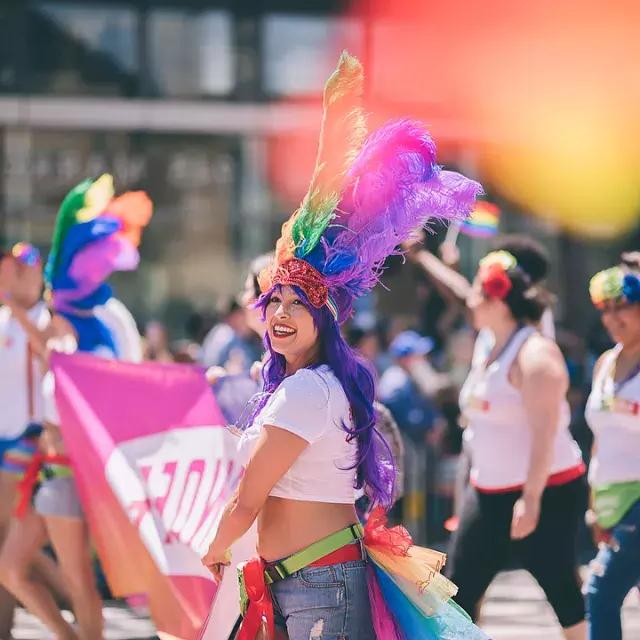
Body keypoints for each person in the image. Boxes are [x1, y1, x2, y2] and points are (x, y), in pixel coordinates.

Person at [201, 52, 485, 640]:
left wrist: (214, 548)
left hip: (317, 586)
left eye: (296, 305)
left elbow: (247, 499)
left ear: (323, 321)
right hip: (298, 582)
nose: (280, 314)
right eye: (273, 302)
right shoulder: (298, 385)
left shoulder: (307, 390)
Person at [0, 174, 152, 640]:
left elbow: (97, 374)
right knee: (11, 567)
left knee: (81, 583)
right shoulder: (62, 334)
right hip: (47, 467)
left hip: (68, 468)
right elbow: (49, 344)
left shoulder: (86, 335)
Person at [447, 248, 587, 639]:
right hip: (488, 490)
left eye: (476, 291)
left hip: (548, 488)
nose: (469, 299)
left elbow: (545, 432)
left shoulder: (536, 353)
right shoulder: (486, 344)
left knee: (559, 585)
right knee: (457, 590)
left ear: (496, 299)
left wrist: (532, 497)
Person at [0, 243, 69, 638]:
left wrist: (12, 306)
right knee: (10, 544)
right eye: (14, 269)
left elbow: (48, 350)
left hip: (30, 440)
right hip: (4, 436)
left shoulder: (47, 317)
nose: (19, 276)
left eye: (28, 269)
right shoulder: (5, 318)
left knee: (12, 541)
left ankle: (78, 604)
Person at [583, 263, 640, 640]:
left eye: (622, 305)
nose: (612, 316)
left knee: (600, 592)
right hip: (610, 500)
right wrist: (595, 505)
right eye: (605, 307)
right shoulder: (605, 363)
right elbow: (599, 436)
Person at [379, 330, 447, 542]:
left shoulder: (409, 378)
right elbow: (411, 419)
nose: (423, 359)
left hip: (414, 452)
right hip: (404, 452)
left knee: (416, 497)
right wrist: (429, 425)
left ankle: (417, 538)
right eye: (418, 355)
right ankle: (412, 542)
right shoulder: (396, 382)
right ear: (406, 358)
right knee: (407, 500)